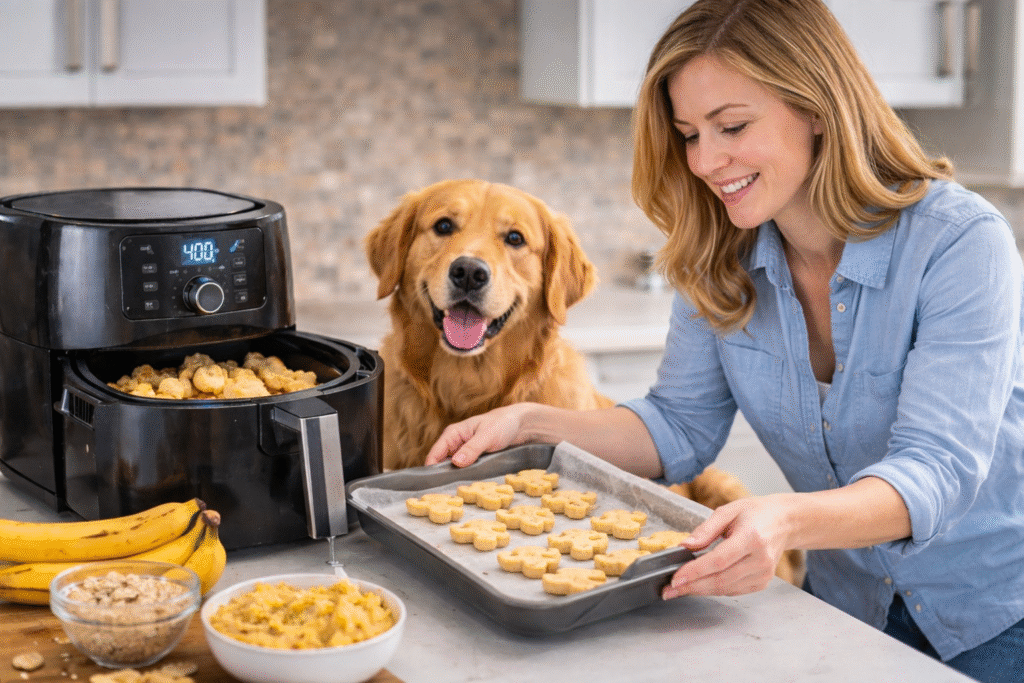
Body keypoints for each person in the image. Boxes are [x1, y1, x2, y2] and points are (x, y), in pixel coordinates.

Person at [424, 0, 1024, 681]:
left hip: (1000, 616)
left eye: (732, 126)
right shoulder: (716, 254)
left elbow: (938, 470)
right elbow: (678, 424)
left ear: (819, 107)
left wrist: (784, 522)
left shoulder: (960, 243)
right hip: (848, 609)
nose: (706, 160)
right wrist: (531, 423)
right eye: (688, 134)